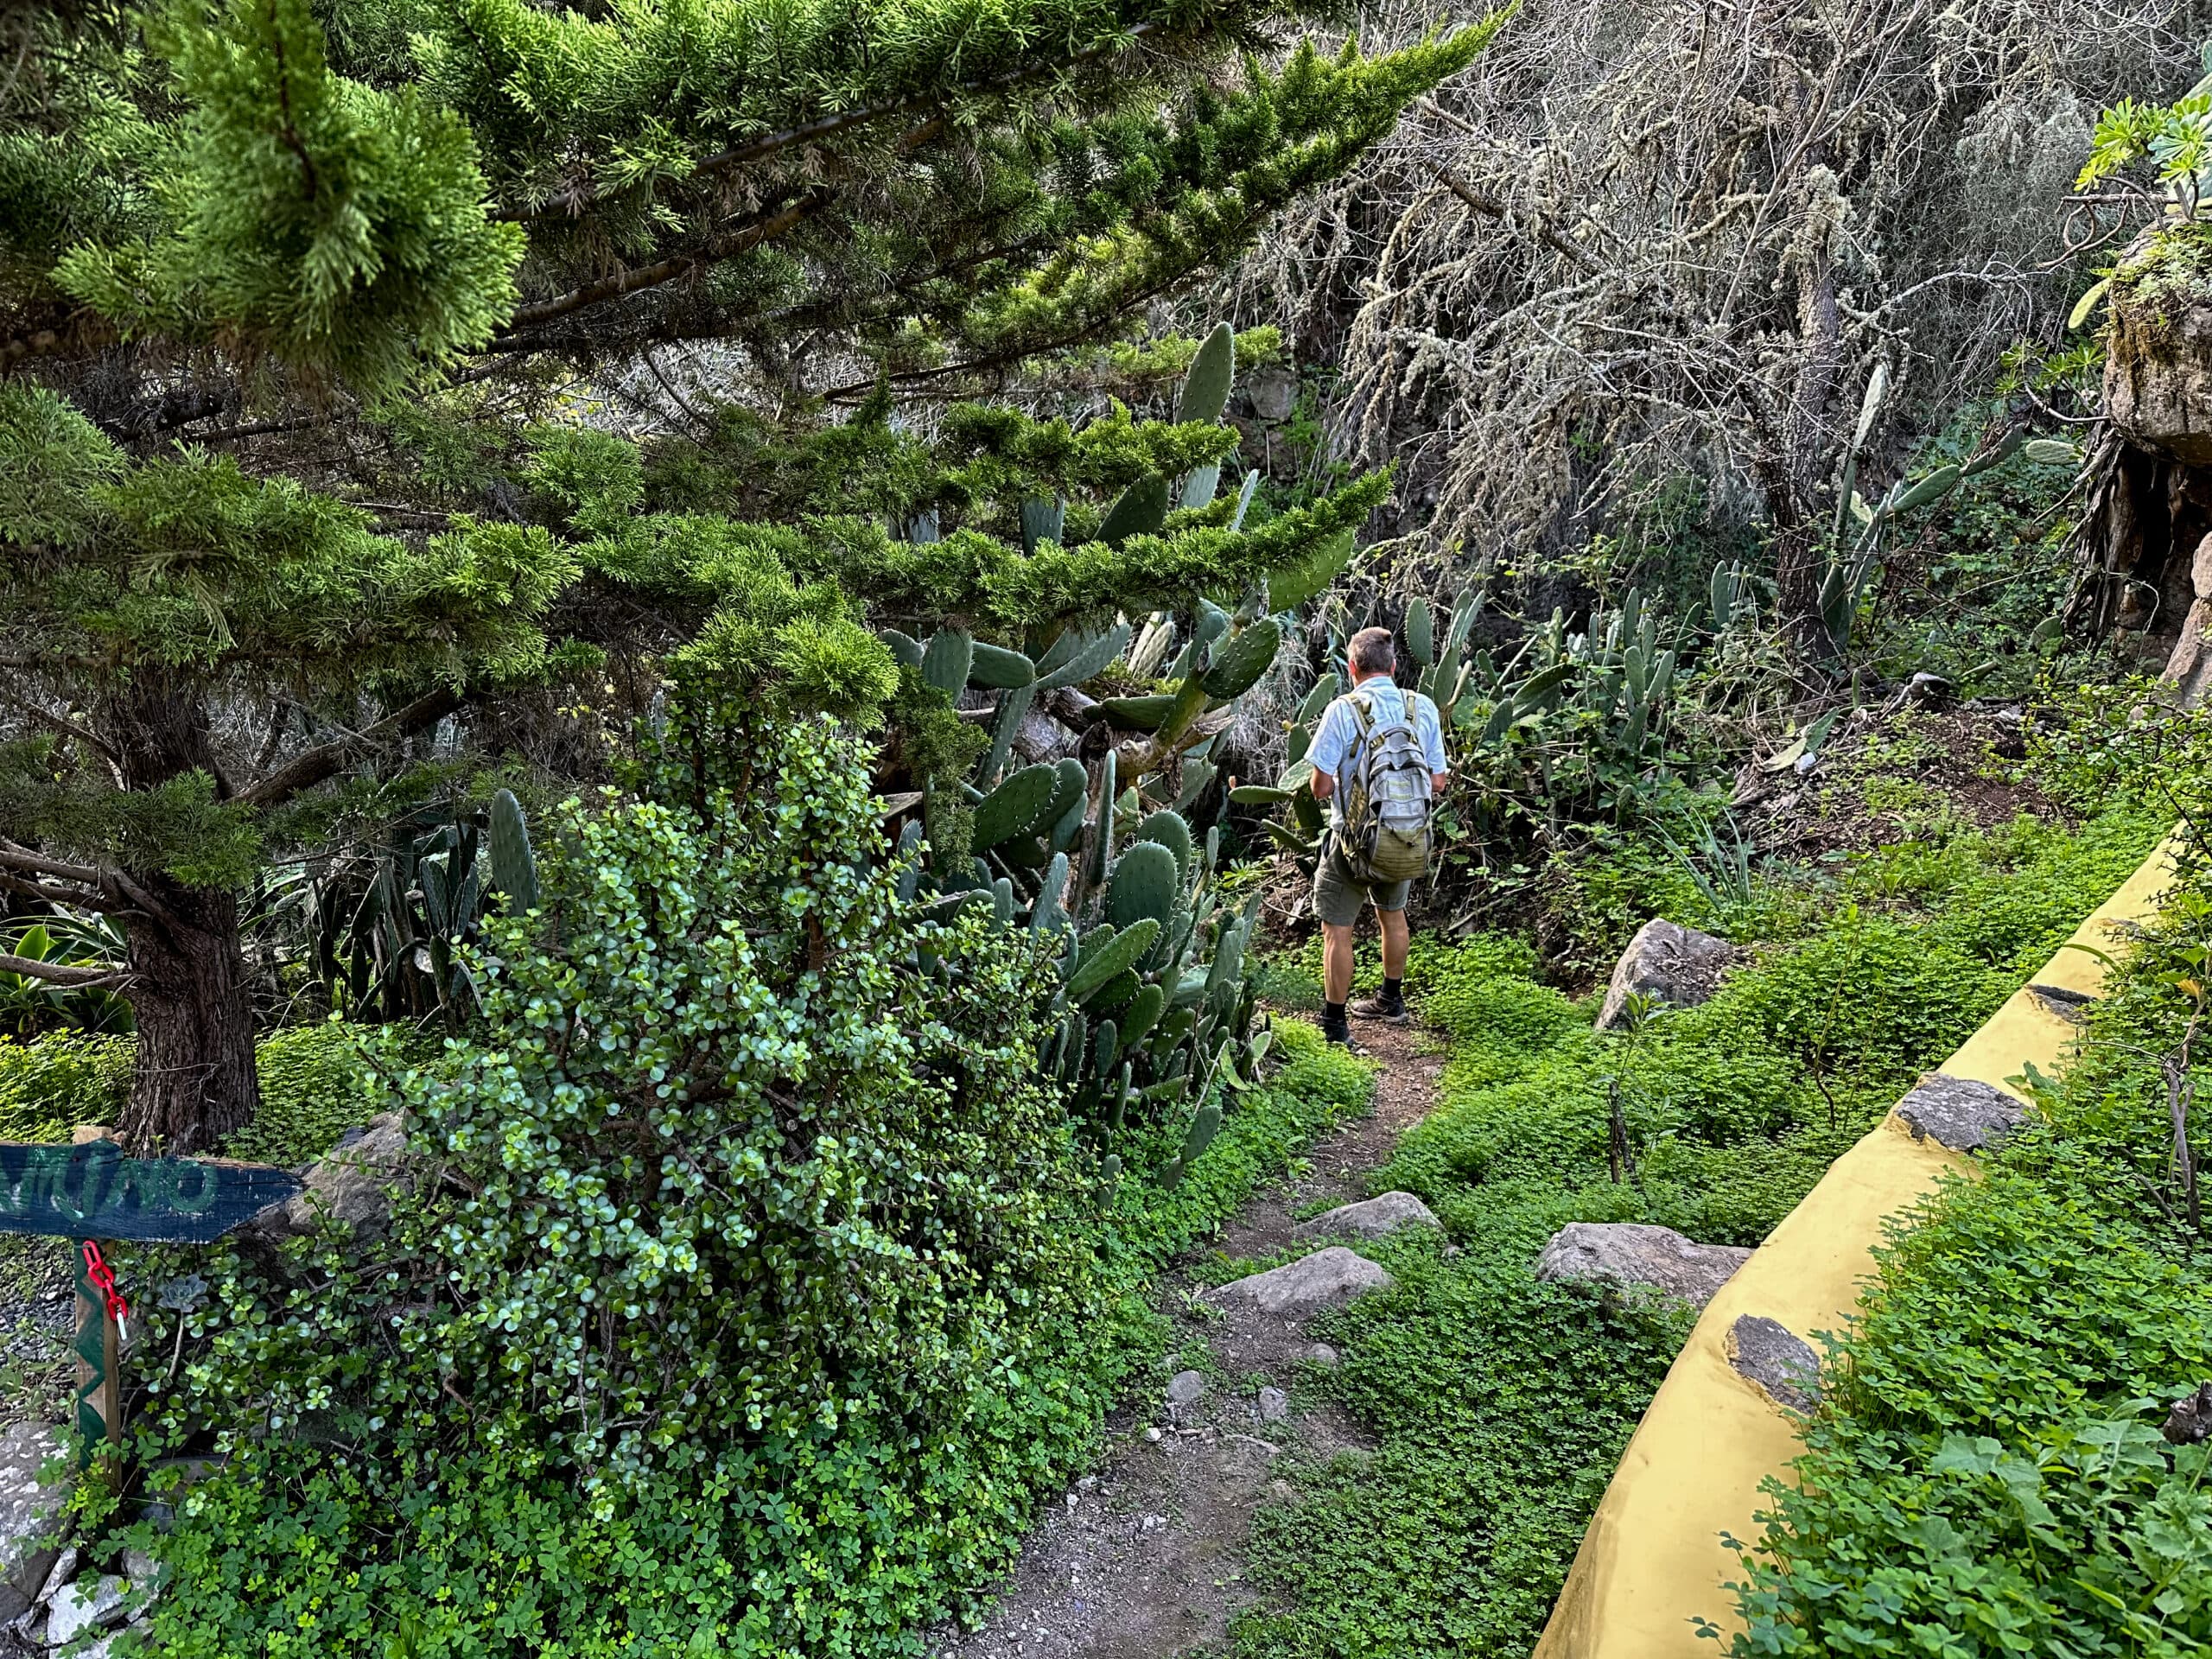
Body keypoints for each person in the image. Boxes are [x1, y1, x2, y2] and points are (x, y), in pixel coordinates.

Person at [1304, 626, 1448, 1048]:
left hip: (1349, 841)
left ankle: (1334, 1025)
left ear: (1352, 667)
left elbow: (1321, 788)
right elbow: (1438, 781)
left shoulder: (1342, 710)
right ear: (1394, 666)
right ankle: (1391, 999)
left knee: (1338, 930)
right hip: (1403, 837)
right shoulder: (1421, 708)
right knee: (1393, 917)